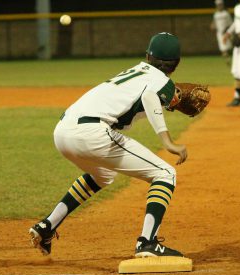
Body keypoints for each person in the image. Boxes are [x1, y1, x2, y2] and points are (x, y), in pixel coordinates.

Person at [29, 32, 188, 258]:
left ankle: (46, 227)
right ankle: (147, 243)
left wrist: (170, 100)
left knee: (102, 176)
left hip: (63, 131)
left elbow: (138, 103)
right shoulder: (161, 82)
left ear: (147, 56)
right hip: (92, 133)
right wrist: (167, 141)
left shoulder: (137, 71)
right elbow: (151, 97)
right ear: (177, 63)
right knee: (165, 173)